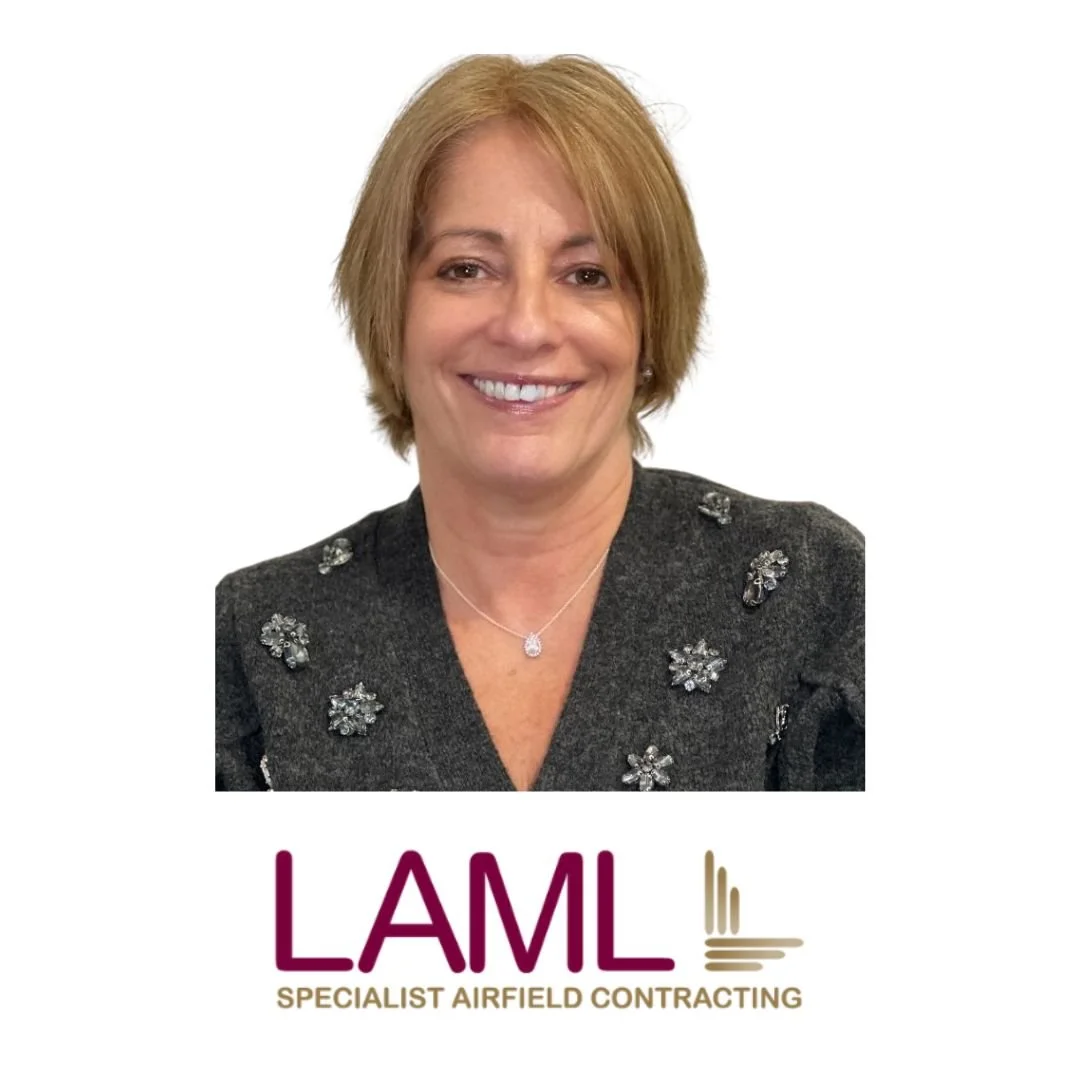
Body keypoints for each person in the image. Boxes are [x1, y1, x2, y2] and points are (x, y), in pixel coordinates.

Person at [215, 54, 864, 793]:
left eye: (588, 275)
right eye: (466, 268)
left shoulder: (810, 597)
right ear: (390, 306)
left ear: (650, 321)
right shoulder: (251, 648)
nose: (526, 326)